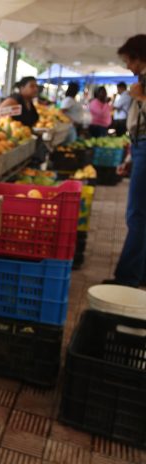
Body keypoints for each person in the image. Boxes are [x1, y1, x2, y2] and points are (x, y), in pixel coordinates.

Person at [105, 34, 146, 287]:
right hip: (140, 145)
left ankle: (127, 278)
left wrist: (141, 98)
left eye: (129, 61)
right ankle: (138, 273)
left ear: (140, 57)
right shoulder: (141, 82)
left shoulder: (142, 87)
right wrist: (132, 155)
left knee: (138, 215)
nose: (128, 67)